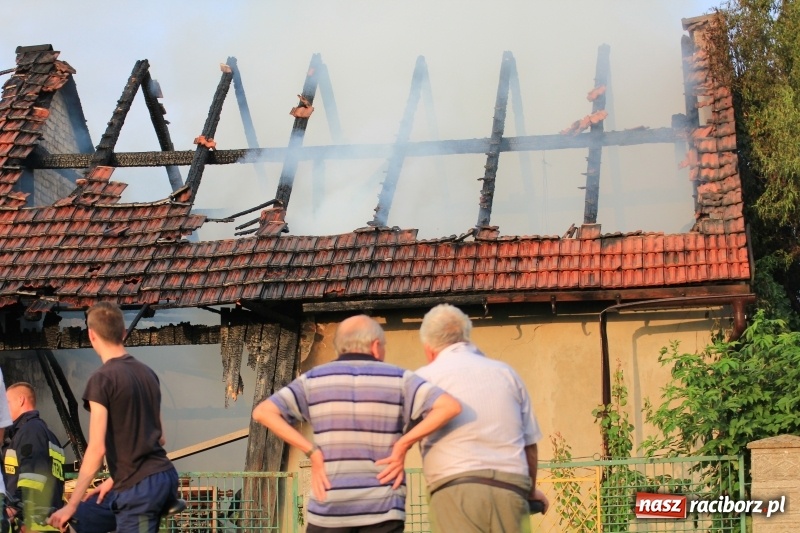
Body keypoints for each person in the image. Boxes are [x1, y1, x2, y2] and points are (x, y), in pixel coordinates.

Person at [252, 314, 461, 533]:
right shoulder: (401, 379)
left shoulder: (313, 380)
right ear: (376, 346)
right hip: (383, 507)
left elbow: (263, 412)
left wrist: (312, 452)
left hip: (329, 506)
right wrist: (403, 444)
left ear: (339, 347)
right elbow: (450, 407)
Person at [413, 304, 549, 533]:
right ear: (466, 336)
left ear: (429, 349)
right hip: (510, 491)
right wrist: (530, 491)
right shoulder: (507, 374)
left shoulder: (423, 378)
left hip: (455, 491)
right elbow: (530, 447)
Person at [48, 302, 178, 533]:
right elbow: (160, 438)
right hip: (160, 477)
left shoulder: (102, 380)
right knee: (81, 519)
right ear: (123, 332)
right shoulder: (148, 374)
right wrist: (113, 480)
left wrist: (71, 504)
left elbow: (97, 449)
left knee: (74, 511)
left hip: (141, 489)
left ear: (91, 335)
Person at [3, 382, 65, 521]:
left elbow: (32, 477)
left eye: (7, 402)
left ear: (21, 400)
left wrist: (14, 509)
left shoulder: (30, 431)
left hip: (30, 520)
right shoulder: (49, 435)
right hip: (48, 517)